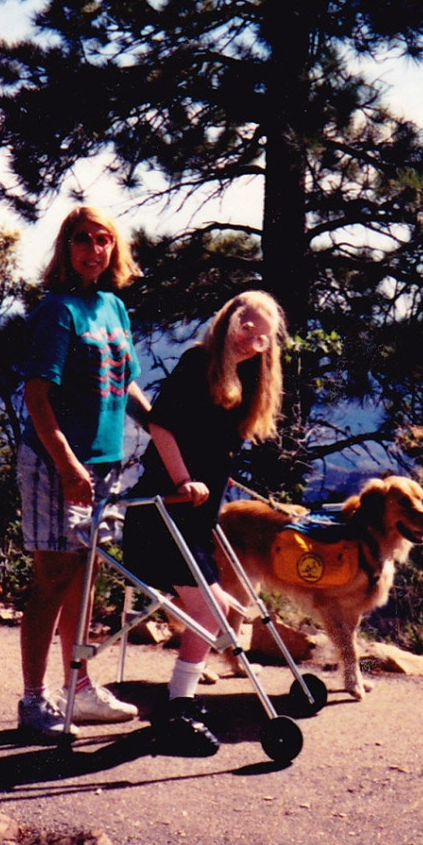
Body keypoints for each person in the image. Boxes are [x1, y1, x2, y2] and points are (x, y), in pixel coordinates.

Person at [123, 290, 288, 755]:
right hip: (162, 513)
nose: (251, 341)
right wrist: (185, 479)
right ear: (227, 321)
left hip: (193, 524)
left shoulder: (249, 374)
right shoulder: (199, 362)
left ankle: (180, 700)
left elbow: (212, 438)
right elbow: (162, 426)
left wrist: (217, 471)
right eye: (245, 327)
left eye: (262, 337)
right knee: (210, 609)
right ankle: (176, 706)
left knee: (220, 608)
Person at [17, 205, 152, 742]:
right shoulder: (59, 310)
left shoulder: (115, 306)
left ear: (114, 249)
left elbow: (128, 386)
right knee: (51, 579)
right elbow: (36, 395)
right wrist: (68, 464)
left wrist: (167, 430)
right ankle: (33, 700)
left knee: (85, 576)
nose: (93, 249)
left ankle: (80, 688)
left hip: (104, 464)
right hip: (59, 465)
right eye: (81, 240)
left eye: (103, 240)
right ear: (65, 248)